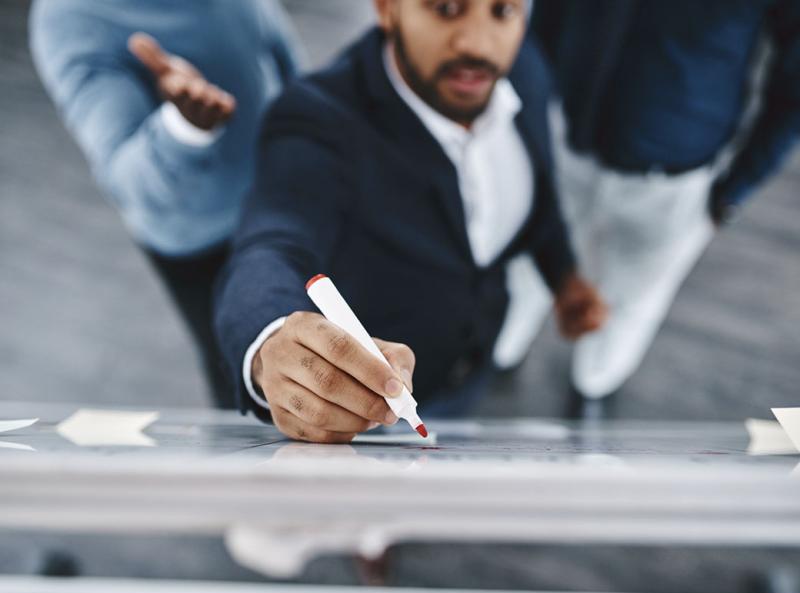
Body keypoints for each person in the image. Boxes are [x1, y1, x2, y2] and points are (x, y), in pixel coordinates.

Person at [214, 0, 607, 443]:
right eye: (446, 8)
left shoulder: (525, 68)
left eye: (502, 11)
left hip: (473, 364)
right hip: (363, 410)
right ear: (387, 9)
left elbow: (538, 190)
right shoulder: (318, 118)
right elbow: (272, 243)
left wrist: (564, 277)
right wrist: (270, 346)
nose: (478, 43)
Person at [526, 0, 800, 417]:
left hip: (676, 179)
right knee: (526, 264)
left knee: (630, 300)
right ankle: (495, 358)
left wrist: (733, 193)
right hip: (564, 136)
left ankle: (591, 390)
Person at [29, 0, 302, 408]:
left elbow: (289, 65)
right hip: (204, 240)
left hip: (289, 200)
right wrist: (186, 127)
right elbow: (129, 183)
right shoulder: (70, 17)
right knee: (249, 375)